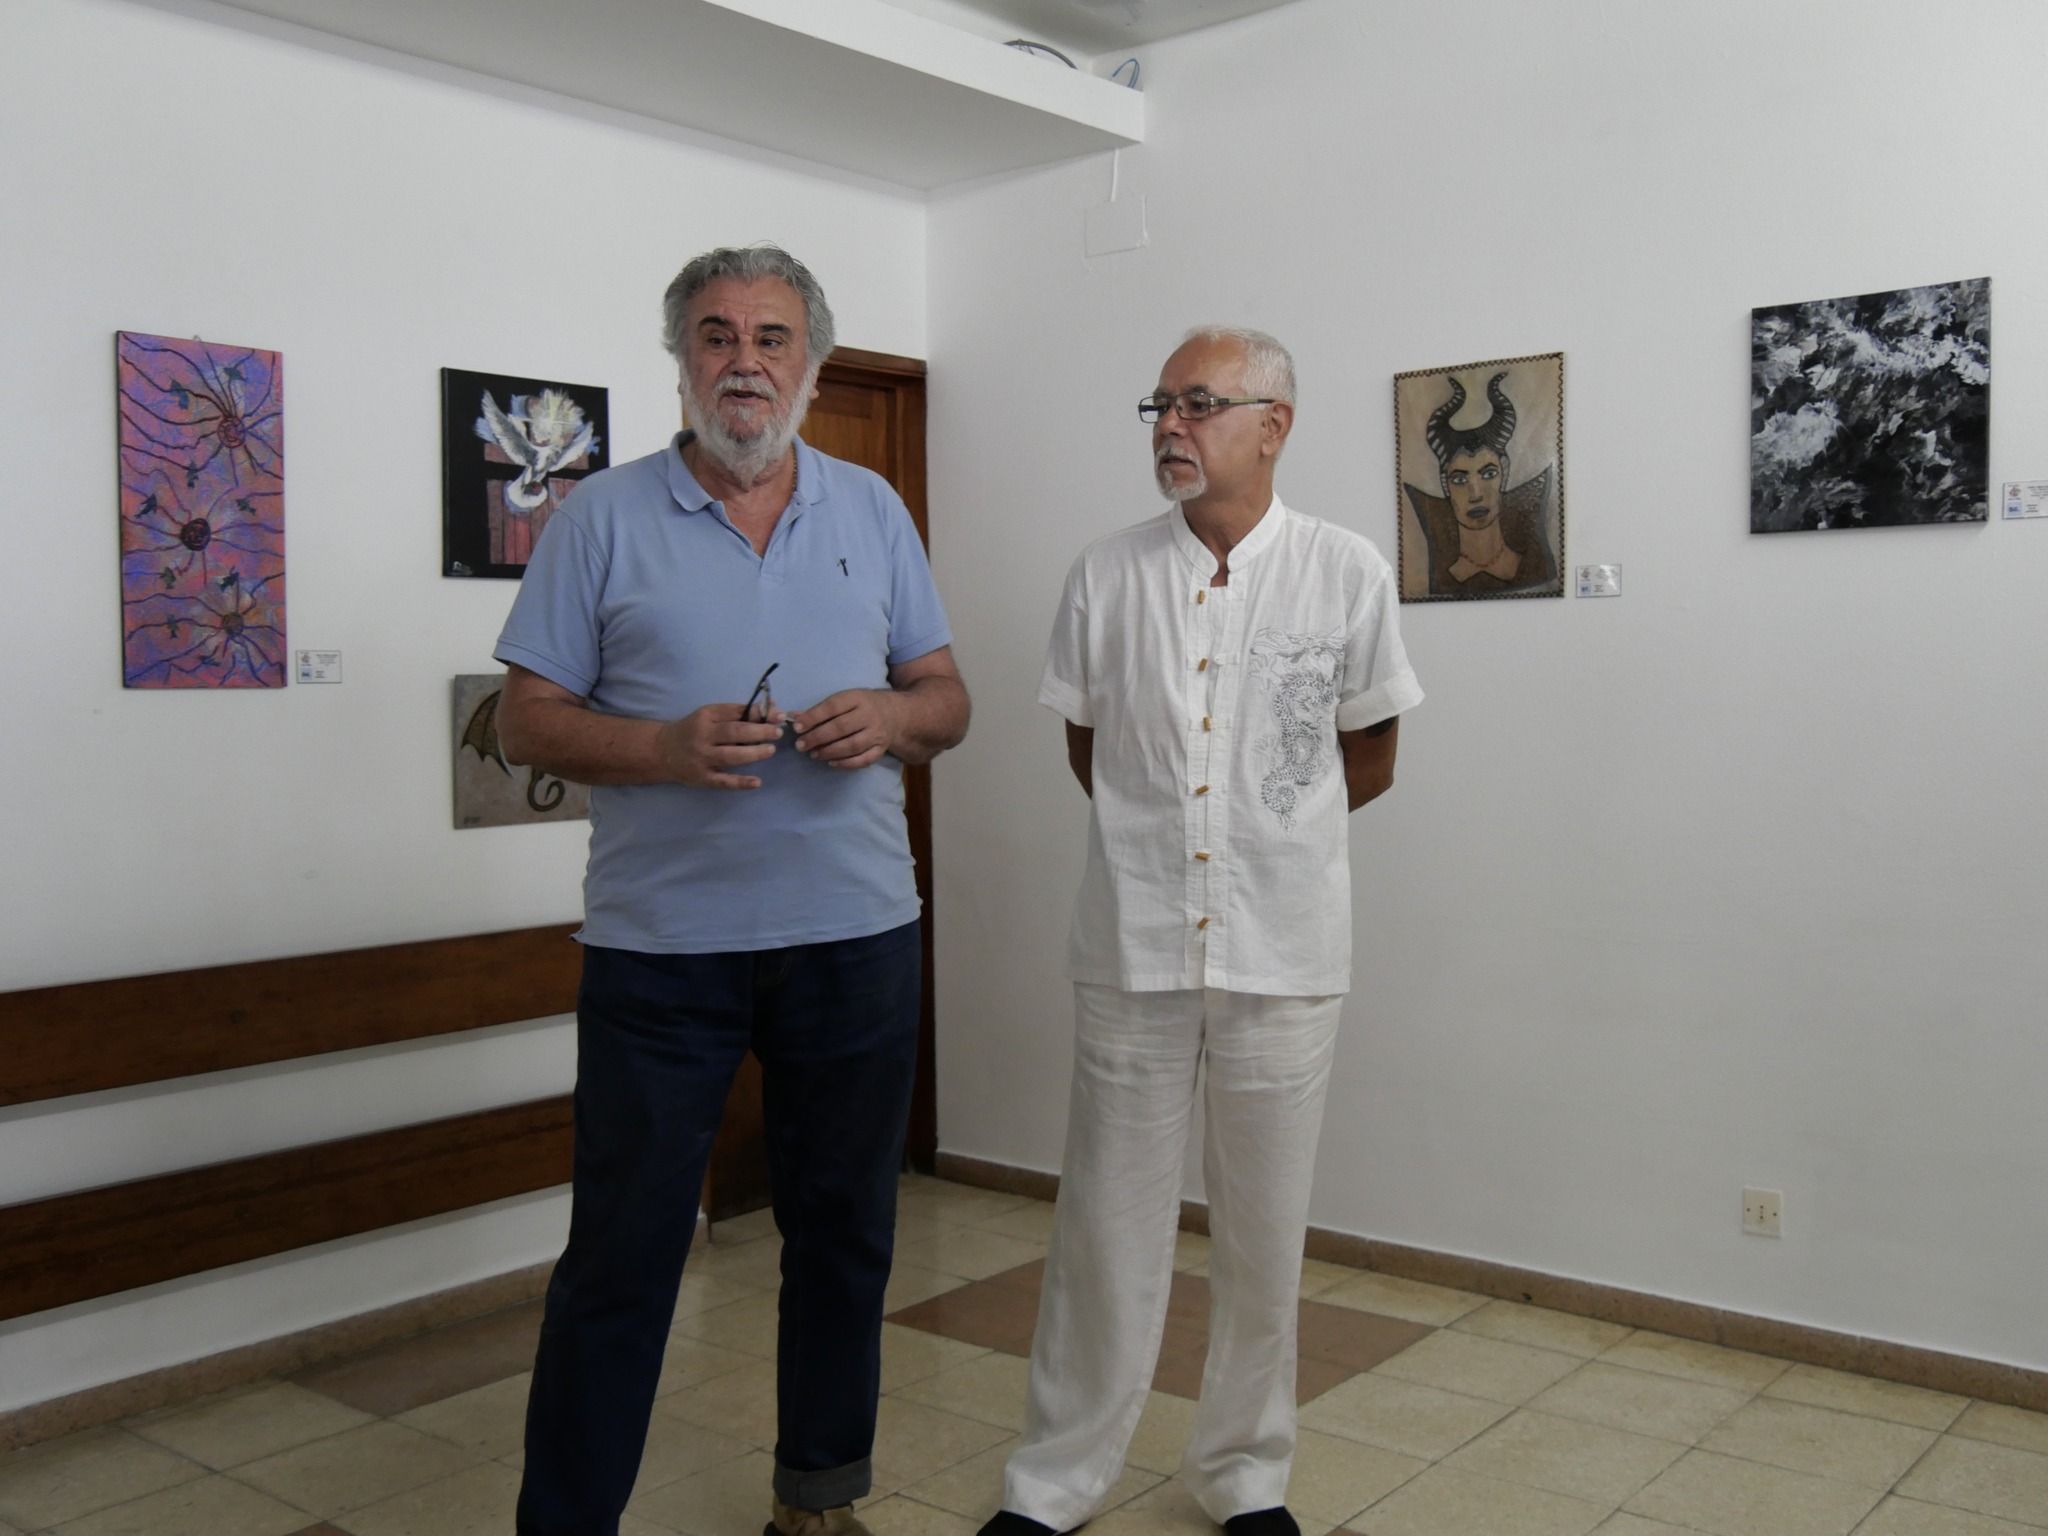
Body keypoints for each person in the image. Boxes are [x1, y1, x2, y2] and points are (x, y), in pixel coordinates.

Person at [495, 243, 970, 1536]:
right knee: (623, 1261)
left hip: (857, 940)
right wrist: (659, 747)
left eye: (770, 337)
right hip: (662, 957)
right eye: (716, 335)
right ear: (682, 360)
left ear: (808, 366)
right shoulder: (597, 517)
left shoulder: (872, 509)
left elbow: (950, 701)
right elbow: (524, 721)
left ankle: (816, 1503)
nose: (743, 361)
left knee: (843, 1236)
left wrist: (892, 714)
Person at [983, 327, 1421, 1536]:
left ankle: (1241, 1476)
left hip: (1284, 951)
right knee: (1102, 1229)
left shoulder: (1343, 571)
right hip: (1132, 942)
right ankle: (1054, 1481)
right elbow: (1095, 751)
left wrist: (1261, 834)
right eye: (1159, 405)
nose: (1170, 426)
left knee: (1263, 1238)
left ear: (1272, 424)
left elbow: (1367, 754)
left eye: (1200, 404)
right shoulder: (1104, 574)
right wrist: (1171, 848)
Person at [1404, 371, 1557, 595]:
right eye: (1459, 479)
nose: (1475, 494)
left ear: (1503, 472)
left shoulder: (1534, 568)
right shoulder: (1443, 574)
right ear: (1445, 484)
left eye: (1488, 474)